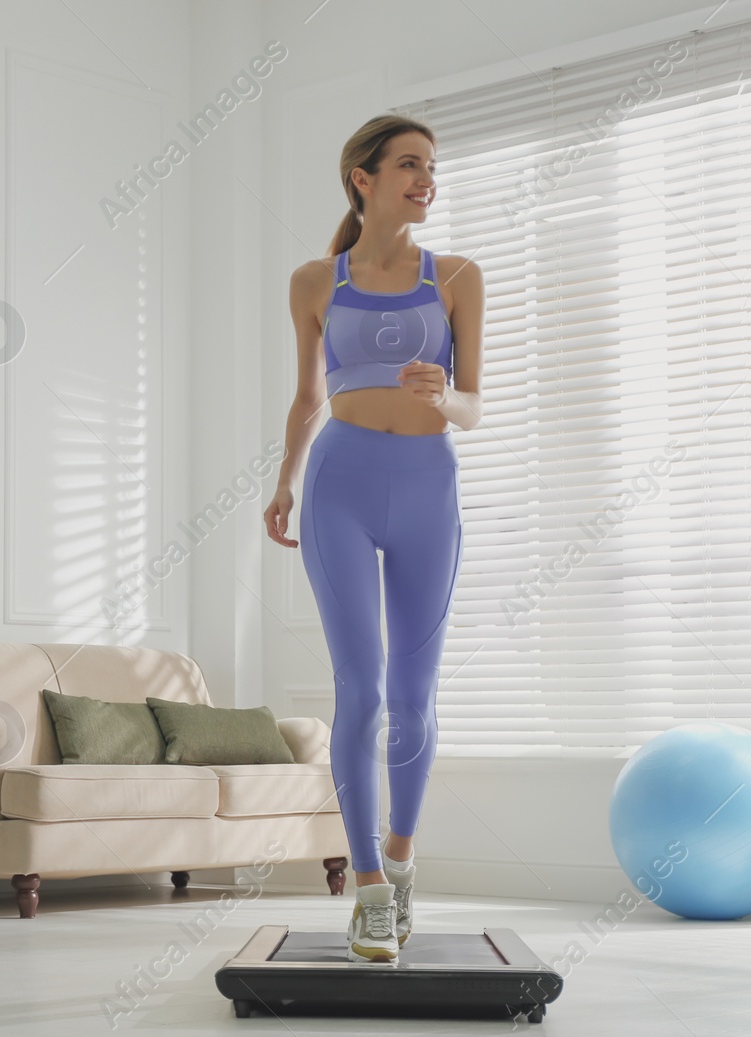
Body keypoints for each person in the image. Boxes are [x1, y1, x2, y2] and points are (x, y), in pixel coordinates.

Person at [263, 114, 484, 964]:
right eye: (409, 165)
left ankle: (400, 857)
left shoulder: (458, 276)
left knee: (414, 696)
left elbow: (476, 405)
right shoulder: (315, 281)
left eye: (433, 165)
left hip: (428, 484)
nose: (427, 179)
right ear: (362, 177)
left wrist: (443, 395)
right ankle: (365, 891)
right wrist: (283, 478)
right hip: (339, 485)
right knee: (360, 688)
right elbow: (307, 396)